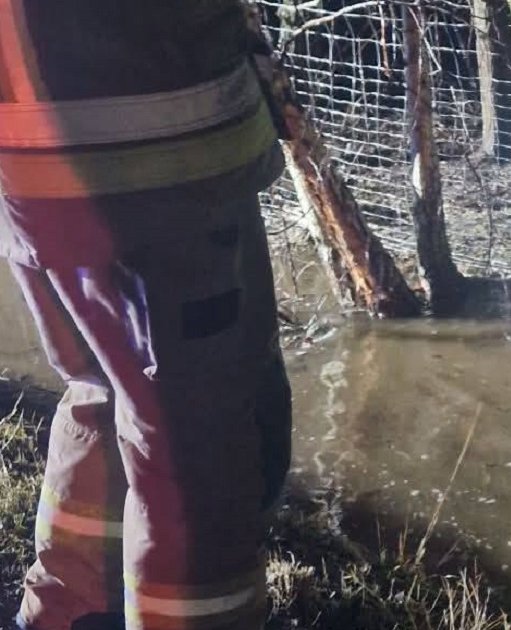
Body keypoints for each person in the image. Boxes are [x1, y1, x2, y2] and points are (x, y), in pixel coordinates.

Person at [0, 1, 291, 628]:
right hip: (153, 165)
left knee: (108, 390)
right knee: (197, 449)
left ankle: (67, 613)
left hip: (41, 164)